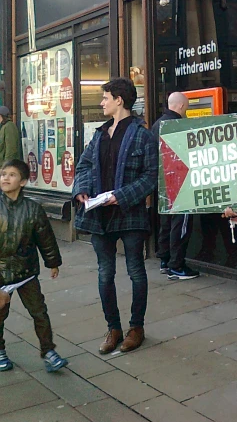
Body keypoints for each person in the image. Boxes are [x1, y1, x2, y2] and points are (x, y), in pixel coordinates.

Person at [73, 78, 157, 354]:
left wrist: (121, 196)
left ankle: (136, 328)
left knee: (135, 271)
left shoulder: (142, 134)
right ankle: (113, 328)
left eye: (105, 97)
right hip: (99, 216)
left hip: (129, 214)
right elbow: (84, 165)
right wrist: (82, 190)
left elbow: (151, 176)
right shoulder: (99, 134)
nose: (102, 103)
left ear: (119, 100)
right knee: (105, 273)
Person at [0, 159, 68, 373]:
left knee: (39, 312)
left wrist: (53, 262)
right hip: (0, 274)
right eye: (3, 174)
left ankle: (48, 351)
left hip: (26, 272)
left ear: (23, 181)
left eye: (11, 175)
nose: (5, 178)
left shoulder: (33, 209)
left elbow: (45, 238)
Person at [153, 92, 199, 280]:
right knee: (181, 225)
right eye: (186, 107)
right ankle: (177, 265)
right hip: (180, 183)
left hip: (162, 183)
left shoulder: (157, 125)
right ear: (181, 106)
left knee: (166, 223)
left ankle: (164, 260)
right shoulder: (179, 125)